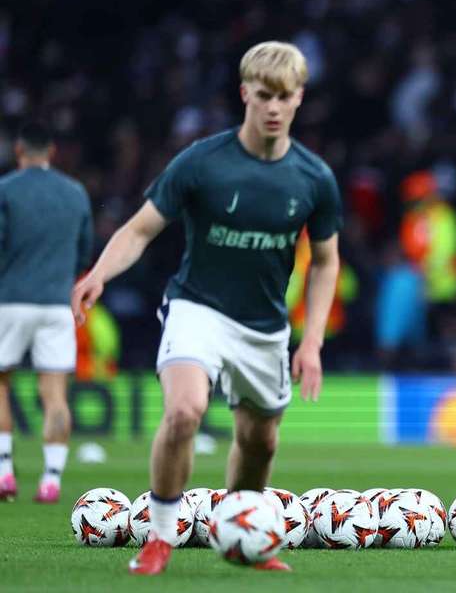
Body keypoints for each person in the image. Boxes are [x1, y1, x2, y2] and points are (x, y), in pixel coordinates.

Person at [71, 41, 342, 574]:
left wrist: (310, 342)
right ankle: (161, 538)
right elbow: (141, 228)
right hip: (196, 309)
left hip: (265, 327)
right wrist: (99, 273)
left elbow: (327, 262)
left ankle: (243, 536)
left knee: (259, 440)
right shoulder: (202, 162)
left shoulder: (314, 178)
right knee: (184, 410)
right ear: (245, 93)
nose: (273, 107)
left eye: (284, 97)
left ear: (298, 99)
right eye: (263, 95)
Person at [0, 122, 93, 504]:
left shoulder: (5, 190)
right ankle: (51, 479)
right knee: (55, 395)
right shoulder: (75, 193)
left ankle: (4, 472)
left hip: (10, 300)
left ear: (18, 151)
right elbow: (85, 253)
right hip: (57, 303)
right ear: (51, 151)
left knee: (1, 384)